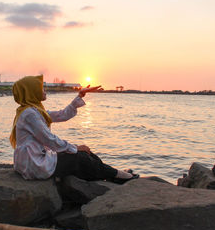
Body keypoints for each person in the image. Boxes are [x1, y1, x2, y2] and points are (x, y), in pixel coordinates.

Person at [10, 75, 139, 183]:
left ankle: (113, 174)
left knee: (84, 154)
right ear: (32, 92)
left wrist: (80, 95)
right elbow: (48, 139)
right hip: (34, 164)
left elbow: (62, 114)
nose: (45, 90)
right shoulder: (29, 114)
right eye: (41, 88)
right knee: (79, 157)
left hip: (35, 158)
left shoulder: (34, 111)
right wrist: (75, 147)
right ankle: (117, 175)